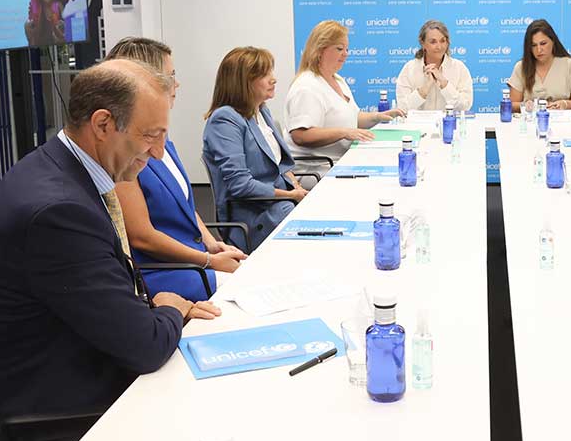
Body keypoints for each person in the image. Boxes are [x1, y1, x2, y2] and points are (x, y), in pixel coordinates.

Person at [0, 60, 220, 441]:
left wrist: (157, 309)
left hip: (75, 376)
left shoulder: (62, 171)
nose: (158, 152)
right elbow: (143, 345)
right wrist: (169, 308)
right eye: (149, 135)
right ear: (103, 123)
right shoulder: (58, 212)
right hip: (52, 426)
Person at [109, 37, 247, 302]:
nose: (177, 84)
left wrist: (211, 243)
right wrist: (209, 260)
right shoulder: (127, 149)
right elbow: (143, 238)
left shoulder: (162, 137)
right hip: (165, 273)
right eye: (171, 75)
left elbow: (184, 204)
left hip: (191, 261)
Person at [203, 46, 307, 251]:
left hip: (278, 204)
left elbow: (280, 166)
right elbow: (240, 185)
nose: (273, 79)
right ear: (243, 82)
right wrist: (291, 195)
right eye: (265, 74)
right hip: (254, 215)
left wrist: (296, 187)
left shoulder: (261, 110)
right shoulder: (225, 119)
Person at [284, 20, 405, 174]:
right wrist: (344, 132)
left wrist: (377, 116)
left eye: (347, 49)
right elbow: (301, 136)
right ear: (320, 50)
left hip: (342, 161)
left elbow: (353, 117)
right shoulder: (307, 86)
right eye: (339, 48)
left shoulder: (338, 80)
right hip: (317, 170)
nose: (346, 54)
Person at [395, 19, 474, 112]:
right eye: (433, 42)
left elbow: (465, 107)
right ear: (422, 43)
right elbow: (403, 109)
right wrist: (425, 88)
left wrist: (444, 83)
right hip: (418, 125)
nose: (439, 47)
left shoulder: (459, 68)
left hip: (448, 125)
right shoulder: (409, 69)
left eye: (442, 41)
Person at [508, 19, 571, 111]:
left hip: (562, 122)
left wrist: (565, 104)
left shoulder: (570, 64)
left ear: (553, 41)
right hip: (530, 121)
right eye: (533, 45)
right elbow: (511, 105)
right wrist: (526, 105)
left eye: (543, 43)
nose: (539, 50)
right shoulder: (520, 67)